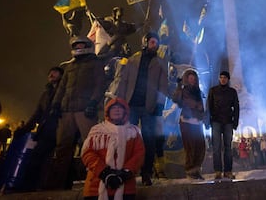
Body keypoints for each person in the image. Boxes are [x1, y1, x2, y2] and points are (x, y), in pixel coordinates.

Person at [106, 31, 168, 186]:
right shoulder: (132, 60)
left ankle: (146, 172)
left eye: (156, 42)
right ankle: (126, 171)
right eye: (152, 42)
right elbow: (123, 81)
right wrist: (119, 101)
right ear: (145, 42)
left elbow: (163, 86)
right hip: (130, 105)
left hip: (149, 107)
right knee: (126, 139)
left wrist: (160, 105)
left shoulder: (160, 62)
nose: (155, 45)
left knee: (149, 140)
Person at [51, 36, 106, 189]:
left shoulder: (95, 63)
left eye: (82, 44)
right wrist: (56, 104)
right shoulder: (69, 66)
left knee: (91, 145)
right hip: (67, 110)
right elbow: (61, 87)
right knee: (63, 146)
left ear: (88, 45)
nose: (80, 47)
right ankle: (60, 182)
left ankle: (95, 179)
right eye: (77, 45)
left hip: (85, 109)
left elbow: (100, 84)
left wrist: (93, 103)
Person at [81, 98, 145, 200]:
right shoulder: (96, 131)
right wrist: (104, 173)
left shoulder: (134, 132)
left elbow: (139, 154)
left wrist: (124, 173)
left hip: (125, 186)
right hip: (96, 186)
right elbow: (88, 154)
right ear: (107, 112)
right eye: (113, 108)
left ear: (126, 111)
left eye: (120, 108)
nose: (117, 110)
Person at [14, 66, 64, 191]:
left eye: (55, 72)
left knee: (53, 159)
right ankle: (32, 186)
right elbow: (37, 114)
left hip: (59, 129)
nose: (51, 74)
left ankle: (40, 186)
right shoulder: (45, 94)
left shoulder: (65, 92)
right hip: (45, 130)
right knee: (38, 158)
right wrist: (25, 129)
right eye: (50, 73)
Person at [172, 69, 206, 180]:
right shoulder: (182, 90)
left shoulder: (198, 91)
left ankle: (196, 169)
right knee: (190, 147)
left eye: (194, 78)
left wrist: (205, 118)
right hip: (187, 121)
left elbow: (203, 106)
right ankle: (190, 170)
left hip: (198, 122)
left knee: (200, 146)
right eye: (190, 78)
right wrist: (179, 86)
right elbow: (176, 99)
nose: (192, 80)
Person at [205, 70, 239, 179]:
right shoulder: (213, 91)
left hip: (228, 121)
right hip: (216, 121)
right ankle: (218, 171)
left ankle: (228, 171)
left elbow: (236, 108)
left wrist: (235, 122)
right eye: (221, 77)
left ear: (228, 79)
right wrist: (207, 121)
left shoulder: (232, 92)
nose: (223, 79)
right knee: (216, 147)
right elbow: (209, 106)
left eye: (225, 77)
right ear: (219, 79)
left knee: (228, 147)